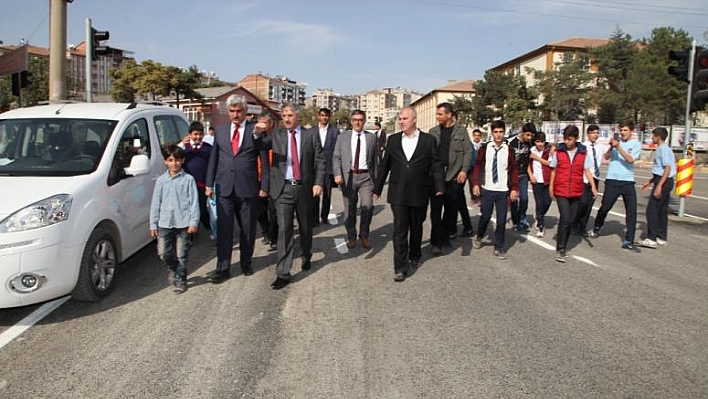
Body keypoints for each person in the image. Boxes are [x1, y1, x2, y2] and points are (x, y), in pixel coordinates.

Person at [374, 106, 444, 282]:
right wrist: (378, 187)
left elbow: (435, 165)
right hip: (398, 192)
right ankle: (400, 267)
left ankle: (415, 254)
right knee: (399, 229)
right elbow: (385, 165)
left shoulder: (428, 141)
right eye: (400, 118)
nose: (401, 121)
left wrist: (439, 186)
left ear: (414, 120)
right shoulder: (393, 140)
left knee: (416, 225)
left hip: (420, 191)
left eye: (404, 119)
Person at [205, 94, 269, 283]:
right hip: (224, 188)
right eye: (232, 111)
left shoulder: (255, 130)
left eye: (238, 111)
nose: (235, 114)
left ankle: (246, 262)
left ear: (245, 111)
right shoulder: (221, 130)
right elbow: (214, 159)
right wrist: (209, 184)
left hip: (248, 189)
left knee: (247, 230)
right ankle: (222, 268)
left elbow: (264, 161)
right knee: (224, 230)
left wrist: (264, 185)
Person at [267, 103, 325, 290]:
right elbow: (260, 144)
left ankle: (306, 254)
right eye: (283, 115)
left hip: (304, 188)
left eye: (290, 115)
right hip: (283, 189)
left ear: (297, 116)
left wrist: (318, 182)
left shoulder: (310, 135)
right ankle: (283, 273)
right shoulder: (276, 134)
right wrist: (256, 132)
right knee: (284, 230)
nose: (286, 118)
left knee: (306, 227)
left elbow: (320, 160)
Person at [149, 145, 200, 293]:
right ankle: (173, 268)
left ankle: (181, 280)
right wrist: (153, 224)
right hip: (164, 223)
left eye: (178, 160)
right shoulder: (161, 181)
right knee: (163, 253)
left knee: (181, 254)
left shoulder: (188, 180)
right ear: (166, 162)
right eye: (171, 160)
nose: (174, 163)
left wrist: (193, 222)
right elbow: (155, 203)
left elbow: (194, 202)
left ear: (183, 161)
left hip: (183, 223)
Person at [588, 121, 642, 252]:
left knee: (632, 211)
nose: (623, 133)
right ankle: (597, 226)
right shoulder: (615, 143)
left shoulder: (636, 144)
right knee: (605, 206)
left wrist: (619, 148)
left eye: (625, 130)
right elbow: (606, 157)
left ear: (631, 131)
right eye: (621, 130)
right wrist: (612, 147)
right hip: (612, 180)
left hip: (627, 181)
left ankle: (629, 240)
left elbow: (630, 160)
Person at [427, 103, 472, 254]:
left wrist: (464, 171)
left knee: (451, 210)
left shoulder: (461, 131)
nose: (437, 117)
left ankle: (444, 238)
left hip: (454, 175)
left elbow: (467, 152)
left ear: (449, 115)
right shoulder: (433, 132)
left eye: (440, 114)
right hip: (436, 176)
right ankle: (435, 242)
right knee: (435, 211)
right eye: (437, 114)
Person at [471, 120, 519, 259]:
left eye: (501, 132)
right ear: (492, 133)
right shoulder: (485, 148)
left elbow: (514, 170)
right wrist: (475, 184)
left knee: (502, 220)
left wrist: (514, 188)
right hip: (487, 188)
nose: (498, 135)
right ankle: (479, 235)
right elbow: (478, 166)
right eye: (496, 132)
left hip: (502, 190)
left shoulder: (508, 150)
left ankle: (499, 246)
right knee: (485, 216)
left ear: (504, 133)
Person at [549, 126, 597, 262]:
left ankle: (563, 239)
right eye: (565, 139)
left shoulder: (583, 153)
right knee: (565, 217)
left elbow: (587, 171)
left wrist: (593, 186)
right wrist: (551, 188)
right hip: (561, 190)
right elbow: (553, 171)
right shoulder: (559, 152)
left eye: (569, 139)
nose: (567, 142)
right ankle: (561, 248)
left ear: (576, 139)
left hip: (576, 190)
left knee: (571, 219)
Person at [333, 110, 379, 250]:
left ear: (364, 121)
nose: (357, 122)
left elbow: (377, 160)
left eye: (360, 120)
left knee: (368, 207)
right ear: (351, 121)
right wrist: (337, 173)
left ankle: (364, 234)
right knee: (350, 210)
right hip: (349, 177)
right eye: (354, 119)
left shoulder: (371, 138)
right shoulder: (343, 137)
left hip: (366, 178)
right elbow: (336, 157)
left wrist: (377, 184)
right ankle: (351, 236)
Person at [639, 127, 676, 248]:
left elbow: (667, 168)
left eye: (653, 136)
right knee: (662, 210)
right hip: (664, 180)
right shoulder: (666, 149)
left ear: (658, 137)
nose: (652, 138)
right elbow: (661, 170)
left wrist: (659, 186)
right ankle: (661, 236)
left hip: (663, 181)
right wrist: (650, 182)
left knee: (652, 210)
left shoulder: (662, 149)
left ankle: (652, 237)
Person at [574, 124, 609, 237]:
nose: (595, 135)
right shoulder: (582, 146)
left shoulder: (600, 146)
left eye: (597, 133)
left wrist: (614, 145)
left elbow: (608, 153)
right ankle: (574, 224)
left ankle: (582, 228)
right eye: (593, 133)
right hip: (583, 177)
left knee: (589, 204)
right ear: (588, 134)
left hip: (595, 177)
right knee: (582, 202)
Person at [179, 121, 213, 236]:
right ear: (190, 134)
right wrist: (181, 144)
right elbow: (173, 156)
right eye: (195, 134)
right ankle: (190, 235)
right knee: (188, 209)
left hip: (202, 184)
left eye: (200, 134)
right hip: (186, 184)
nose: (198, 137)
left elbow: (213, 165)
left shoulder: (208, 149)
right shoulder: (184, 149)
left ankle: (209, 227)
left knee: (201, 208)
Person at [311, 108, 339, 226]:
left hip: (328, 167)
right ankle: (314, 218)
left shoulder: (335, 131)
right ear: (318, 116)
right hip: (314, 168)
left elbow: (337, 150)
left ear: (329, 117)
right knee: (314, 194)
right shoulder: (312, 131)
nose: (324, 118)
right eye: (322, 115)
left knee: (327, 194)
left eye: (326, 116)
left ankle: (324, 216)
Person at [256, 112, 278, 248]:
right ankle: (266, 231)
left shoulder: (277, 137)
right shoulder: (255, 138)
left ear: (271, 124)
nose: (261, 126)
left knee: (274, 211)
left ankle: (274, 236)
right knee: (260, 210)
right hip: (258, 179)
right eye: (260, 123)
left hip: (275, 179)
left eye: (264, 123)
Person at [509, 123, 534, 232]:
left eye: (531, 135)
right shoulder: (511, 143)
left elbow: (544, 144)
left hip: (523, 175)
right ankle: (516, 221)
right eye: (527, 135)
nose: (530, 138)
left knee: (524, 198)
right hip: (512, 176)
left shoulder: (530, 144)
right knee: (514, 200)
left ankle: (522, 217)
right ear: (522, 133)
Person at [528, 131, 553, 237]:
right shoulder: (530, 151)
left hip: (547, 180)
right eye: (537, 141)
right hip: (536, 182)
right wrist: (531, 175)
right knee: (539, 203)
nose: (539, 144)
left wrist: (537, 158)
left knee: (547, 202)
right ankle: (541, 226)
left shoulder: (548, 151)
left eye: (542, 142)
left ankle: (538, 215)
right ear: (534, 142)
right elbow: (527, 165)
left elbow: (550, 164)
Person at [468, 128, 483, 205]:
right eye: (475, 135)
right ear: (473, 136)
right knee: (471, 183)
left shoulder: (483, 145)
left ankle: (479, 198)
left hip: (480, 168)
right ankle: (473, 198)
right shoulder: (469, 145)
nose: (477, 137)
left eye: (478, 135)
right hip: (471, 168)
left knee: (479, 183)